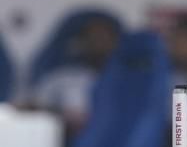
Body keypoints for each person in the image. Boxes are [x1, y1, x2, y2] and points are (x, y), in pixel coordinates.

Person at [28, 15, 120, 145]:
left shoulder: (128, 80)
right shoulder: (62, 77)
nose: (98, 44)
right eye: (92, 37)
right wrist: (61, 115)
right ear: (81, 42)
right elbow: (36, 107)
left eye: (103, 38)